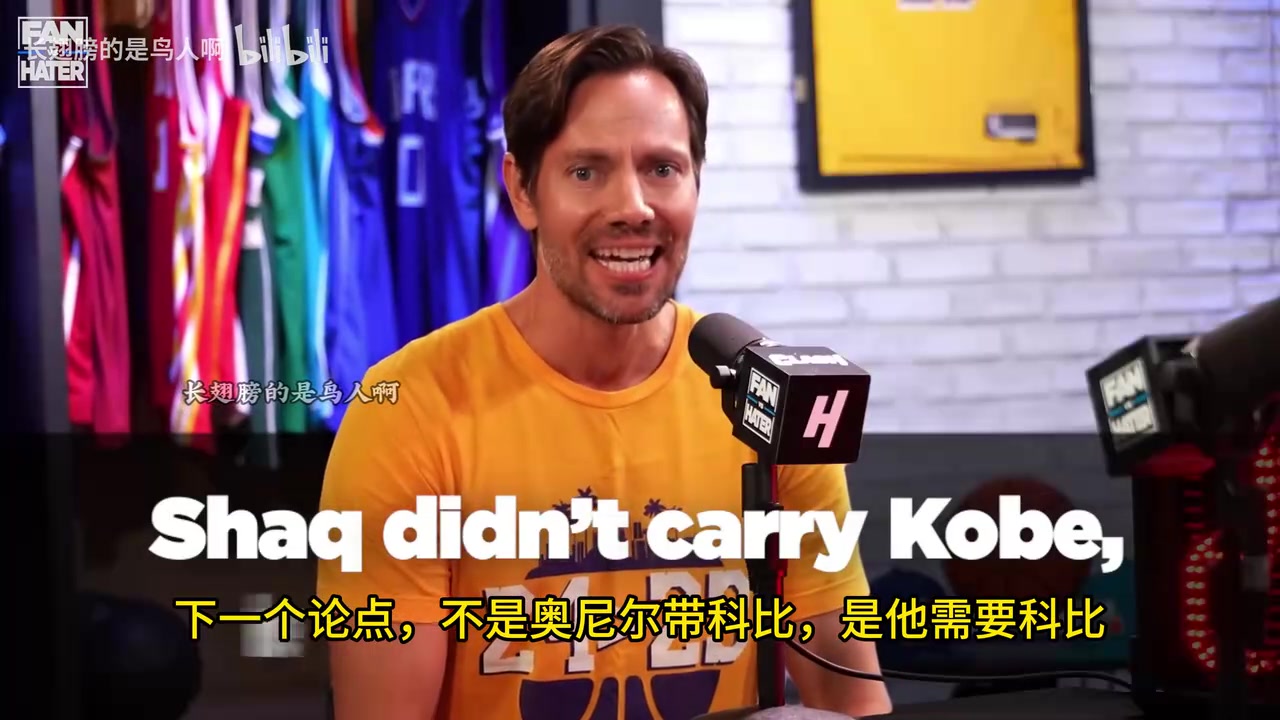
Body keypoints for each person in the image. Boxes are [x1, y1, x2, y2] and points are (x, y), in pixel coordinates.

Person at [317, 24, 892, 720]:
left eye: (662, 169)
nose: (633, 208)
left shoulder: (769, 403)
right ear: (523, 190)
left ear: (697, 183)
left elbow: (853, 700)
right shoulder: (409, 411)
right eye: (586, 171)